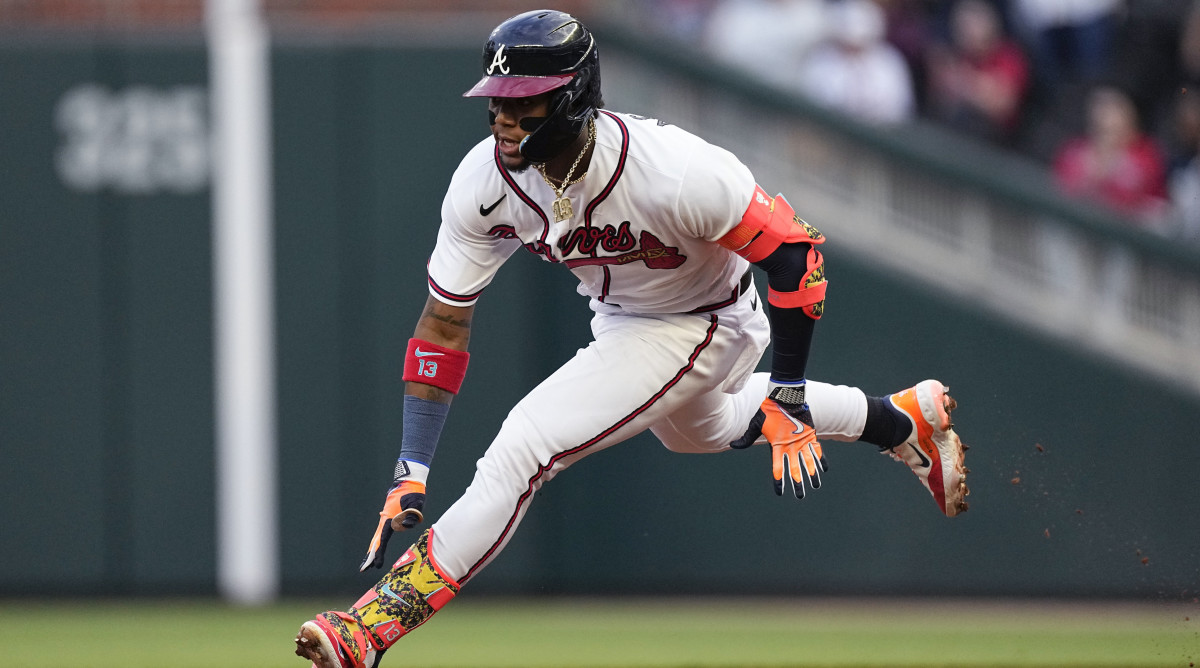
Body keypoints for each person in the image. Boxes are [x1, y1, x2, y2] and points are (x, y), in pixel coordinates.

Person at [293, 10, 970, 668]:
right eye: (496, 98)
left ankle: (368, 630)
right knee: (697, 432)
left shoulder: (674, 169)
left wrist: (789, 393)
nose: (502, 116)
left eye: (523, 100)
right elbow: (444, 320)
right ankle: (898, 420)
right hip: (623, 317)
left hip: (709, 317)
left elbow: (797, 256)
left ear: (573, 97)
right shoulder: (483, 182)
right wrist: (412, 467)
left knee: (526, 444)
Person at [1052, 85, 1169, 227]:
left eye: (1112, 107)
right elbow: (1059, 194)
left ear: (1133, 114)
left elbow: (1128, 204)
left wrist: (1105, 166)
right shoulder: (1074, 150)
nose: (1101, 113)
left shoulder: (1148, 156)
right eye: (1098, 104)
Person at [924, 0, 1030, 146]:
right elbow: (942, 95)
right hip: (955, 135)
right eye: (962, 26)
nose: (967, 31)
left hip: (997, 142)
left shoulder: (1008, 56)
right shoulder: (958, 56)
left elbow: (1002, 105)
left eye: (972, 24)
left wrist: (965, 84)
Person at [796, 0, 916, 125]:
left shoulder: (889, 61)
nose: (853, 48)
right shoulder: (820, 61)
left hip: (880, 134)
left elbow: (900, 109)